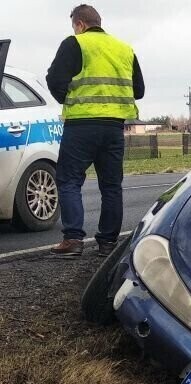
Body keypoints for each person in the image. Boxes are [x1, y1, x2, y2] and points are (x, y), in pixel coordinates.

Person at [46, 4, 144, 257]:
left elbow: (54, 79)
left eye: (74, 27)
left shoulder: (75, 43)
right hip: (114, 127)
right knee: (111, 186)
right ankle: (108, 243)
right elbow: (139, 90)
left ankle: (73, 240)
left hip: (82, 124)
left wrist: (67, 98)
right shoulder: (124, 49)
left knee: (69, 180)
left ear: (80, 24)